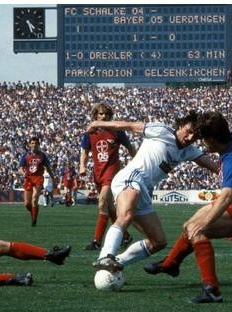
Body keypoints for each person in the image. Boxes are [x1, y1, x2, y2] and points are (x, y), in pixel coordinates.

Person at [143, 112, 232, 303]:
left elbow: (226, 198)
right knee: (188, 225)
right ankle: (171, 264)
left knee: (197, 230)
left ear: (212, 139)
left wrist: (205, 223)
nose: (202, 144)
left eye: (204, 139)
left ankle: (212, 290)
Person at [90, 110, 219, 274]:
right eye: (189, 132)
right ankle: (105, 255)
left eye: (194, 137)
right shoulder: (161, 131)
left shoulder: (189, 150)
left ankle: (116, 262)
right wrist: (97, 124)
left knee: (158, 242)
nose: (189, 138)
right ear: (180, 125)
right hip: (131, 178)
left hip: (144, 191)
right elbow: (128, 126)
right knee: (126, 215)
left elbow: (210, 165)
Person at [79, 103, 137, 251]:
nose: (103, 116)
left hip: (112, 173)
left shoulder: (117, 132)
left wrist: (137, 163)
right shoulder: (90, 134)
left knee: (102, 202)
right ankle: (125, 236)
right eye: (100, 114)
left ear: (110, 116)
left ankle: (97, 241)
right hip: (98, 173)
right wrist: (82, 166)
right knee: (111, 209)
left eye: (106, 114)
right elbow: (84, 152)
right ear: (95, 116)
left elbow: (130, 148)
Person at [19, 136, 56, 226]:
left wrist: (53, 178)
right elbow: (20, 168)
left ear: (38, 144)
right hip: (28, 178)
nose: (34, 145)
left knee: (34, 198)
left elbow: (48, 168)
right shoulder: (26, 155)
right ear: (29, 145)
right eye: (32, 143)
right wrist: (23, 173)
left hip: (38, 178)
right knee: (27, 203)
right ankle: (33, 213)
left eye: (36, 143)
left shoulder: (42, 155)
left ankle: (34, 220)